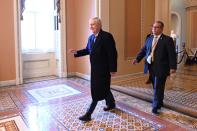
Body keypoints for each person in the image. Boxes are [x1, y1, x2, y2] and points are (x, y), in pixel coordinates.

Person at [70, 17, 118, 121]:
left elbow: (112, 54)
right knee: (104, 88)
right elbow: (88, 50)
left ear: (99, 25)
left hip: (104, 70)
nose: (90, 26)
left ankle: (88, 113)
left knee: (96, 91)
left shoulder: (107, 37)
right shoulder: (91, 38)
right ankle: (111, 103)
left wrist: (113, 69)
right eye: (90, 24)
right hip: (95, 70)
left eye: (93, 24)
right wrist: (77, 52)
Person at [132, 21, 177, 114]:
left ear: (161, 29)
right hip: (150, 67)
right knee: (156, 87)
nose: (154, 29)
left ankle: (155, 106)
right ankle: (159, 102)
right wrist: (137, 59)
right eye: (153, 27)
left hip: (162, 67)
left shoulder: (167, 40)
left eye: (156, 27)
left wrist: (173, 67)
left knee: (158, 86)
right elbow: (144, 50)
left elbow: (172, 54)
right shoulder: (149, 38)